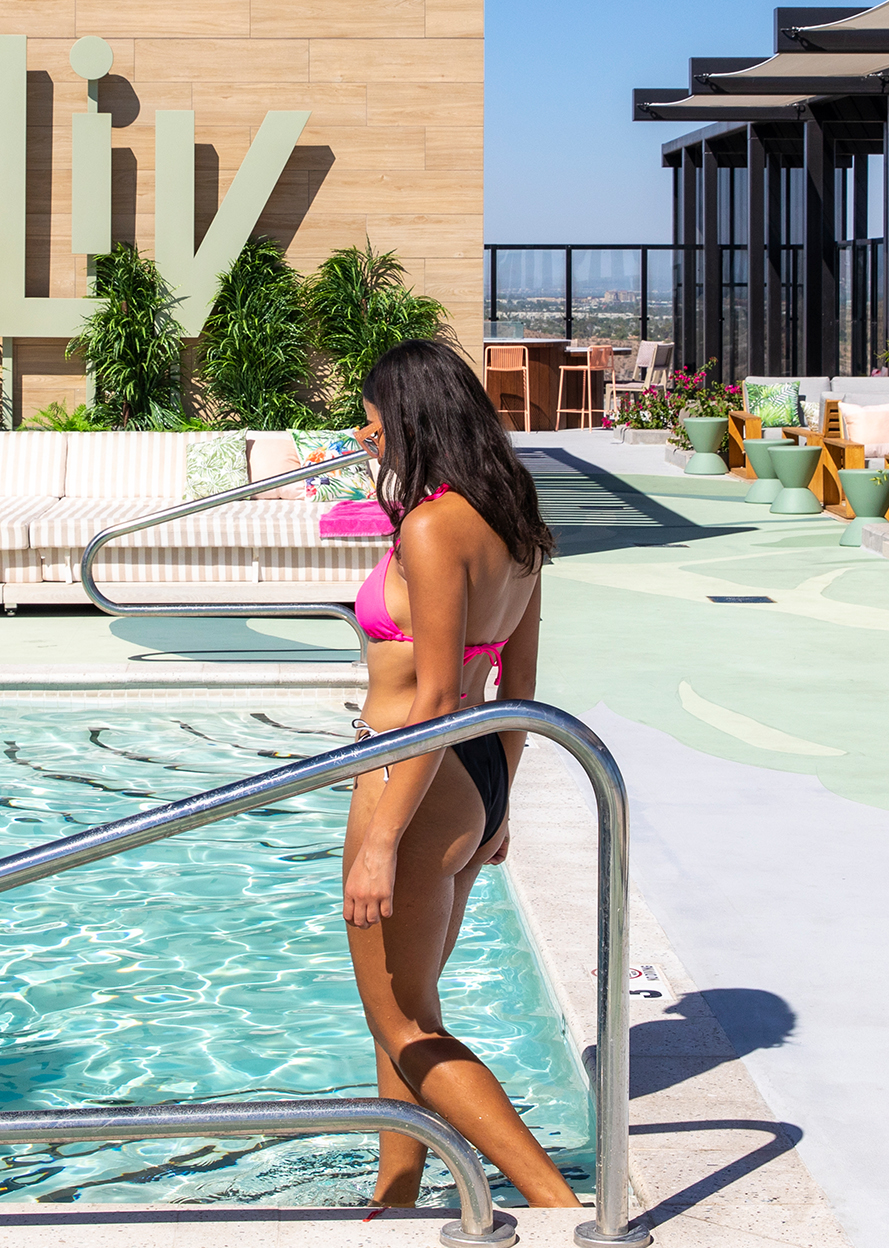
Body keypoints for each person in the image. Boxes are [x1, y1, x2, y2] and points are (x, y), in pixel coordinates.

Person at [342, 340, 574, 1210]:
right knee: (398, 1013)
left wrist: (380, 844)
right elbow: (519, 688)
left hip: (411, 770)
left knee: (405, 1023)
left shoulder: (434, 526)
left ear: (405, 417)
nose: (367, 434)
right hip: (472, 770)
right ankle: (392, 1198)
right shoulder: (511, 513)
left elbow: (436, 696)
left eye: (373, 416)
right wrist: (499, 802)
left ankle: (558, 1207)